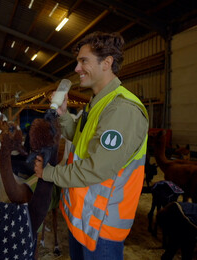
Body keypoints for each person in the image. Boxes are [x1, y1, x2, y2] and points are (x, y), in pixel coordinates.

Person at [34, 31, 149, 259]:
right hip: (83, 219)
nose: (76, 69)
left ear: (107, 63)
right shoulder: (97, 103)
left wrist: (49, 173)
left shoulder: (122, 108)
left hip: (102, 226)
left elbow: (98, 167)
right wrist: (64, 115)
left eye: (83, 61)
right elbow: (80, 141)